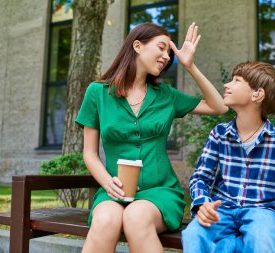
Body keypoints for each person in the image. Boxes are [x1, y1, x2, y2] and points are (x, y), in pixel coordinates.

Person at [75, 23, 228, 253]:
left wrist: (190, 66)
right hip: (114, 191)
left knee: (136, 217)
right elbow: (89, 153)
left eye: (169, 52)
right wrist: (107, 182)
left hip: (160, 192)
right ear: (137, 45)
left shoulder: (166, 95)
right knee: (105, 220)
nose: (167, 56)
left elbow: (219, 107)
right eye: (162, 48)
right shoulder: (97, 92)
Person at [182, 61, 275, 253]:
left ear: (257, 94)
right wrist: (203, 203)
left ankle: (231, 245)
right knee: (193, 234)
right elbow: (200, 178)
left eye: (236, 81)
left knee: (262, 240)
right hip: (222, 209)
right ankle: (233, 245)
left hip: (263, 212)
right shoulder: (219, 134)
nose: (226, 85)